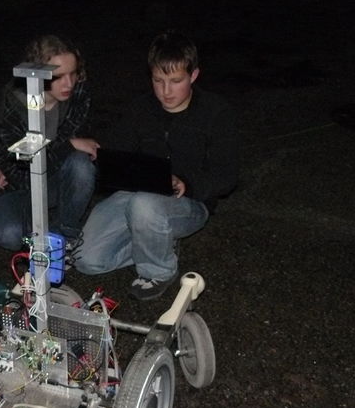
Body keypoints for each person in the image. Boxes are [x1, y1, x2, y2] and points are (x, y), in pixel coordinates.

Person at [75, 30, 238, 300]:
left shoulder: (215, 112)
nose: (166, 91)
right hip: (135, 194)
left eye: (176, 81)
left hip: (189, 202)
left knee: (145, 205)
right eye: (158, 80)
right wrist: (100, 155)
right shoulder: (140, 108)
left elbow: (227, 175)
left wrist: (187, 183)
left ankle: (159, 270)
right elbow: (117, 151)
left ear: (194, 75)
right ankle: (156, 242)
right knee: (86, 260)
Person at [0, 34, 100, 251]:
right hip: (19, 188)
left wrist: (70, 148)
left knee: (81, 165)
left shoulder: (78, 94)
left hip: (57, 180)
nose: (69, 83)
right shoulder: (11, 105)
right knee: (10, 235)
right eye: (58, 76)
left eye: (73, 73)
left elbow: (84, 153)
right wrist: (69, 145)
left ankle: (64, 237)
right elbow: (20, 175)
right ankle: (38, 238)